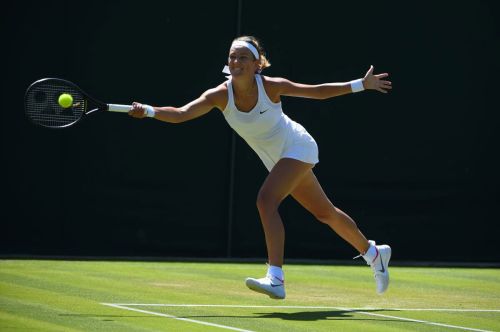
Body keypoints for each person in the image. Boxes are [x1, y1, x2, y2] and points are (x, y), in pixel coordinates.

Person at [129, 36, 393, 300]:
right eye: (232, 56)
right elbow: (181, 113)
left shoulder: (271, 86)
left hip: (298, 147)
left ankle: (276, 278)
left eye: (243, 57)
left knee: (266, 201)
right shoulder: (219, 95)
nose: (236, 62)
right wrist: (149, 111)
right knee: (325, 213)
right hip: (276, 160)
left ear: (257, 64)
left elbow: (317, 92)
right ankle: (374, 253)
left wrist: (361, 84)